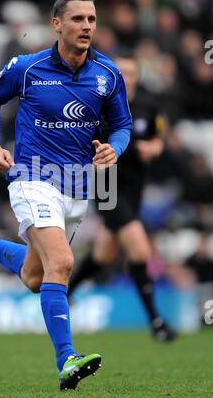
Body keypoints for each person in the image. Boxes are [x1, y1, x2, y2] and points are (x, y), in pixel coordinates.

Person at [0, 0, 132, 390]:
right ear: (57, 24)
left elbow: (122, 124)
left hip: (78, 188)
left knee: (37, 277)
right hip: (32, 178)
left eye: (91, 19)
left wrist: (115, 149)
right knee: (63, 261)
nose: (86, 26)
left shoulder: (108, 75)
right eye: (77, 19)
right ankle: (66, 359)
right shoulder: (28, 67)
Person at [68, 52, 177, 342]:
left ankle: (65, 292)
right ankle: (156, 322)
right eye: (121, 72)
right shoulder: (99, 105)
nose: (126, 77)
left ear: (137, 76)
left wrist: (153, 148)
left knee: (104, 254)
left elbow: (158, 138)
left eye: (131, 72)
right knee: (140, 250)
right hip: (108, 184)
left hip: (134, 186)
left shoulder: (146, 106)